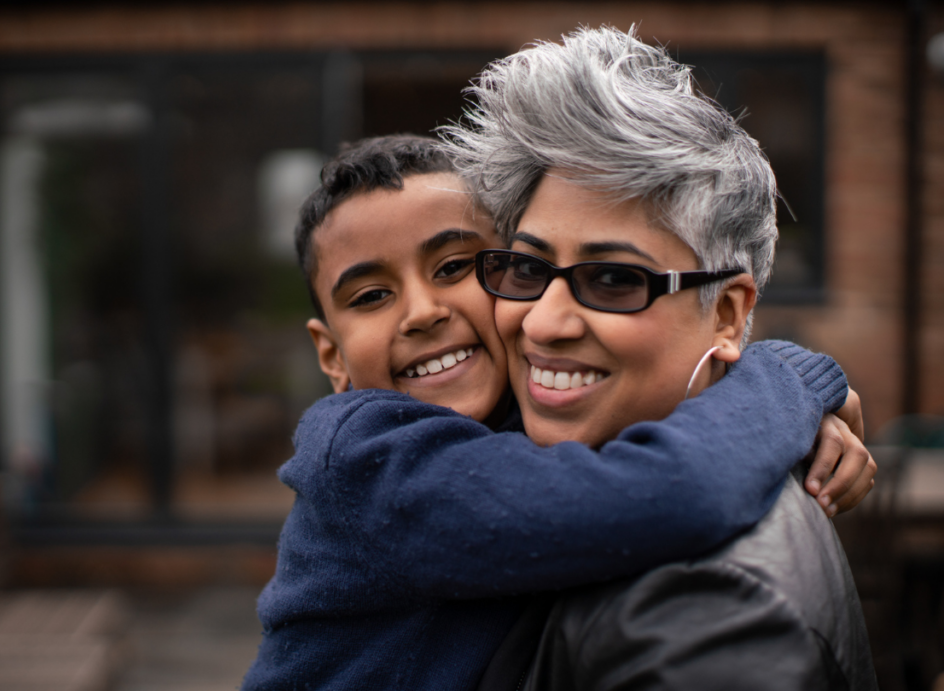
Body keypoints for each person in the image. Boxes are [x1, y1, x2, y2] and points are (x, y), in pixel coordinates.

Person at [240, 135, 874, 691]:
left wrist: (773, 377)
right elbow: (667, 492)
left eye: (456, 266)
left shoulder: (528, 406)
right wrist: (786, 383)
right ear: (331, 356)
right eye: (373, 295)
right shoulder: (364, 457)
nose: (423, 311)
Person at [441, 25, 877, 689]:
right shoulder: (578, 462)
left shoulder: (708, 616)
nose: (545, 322)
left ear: (728, 313)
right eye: (527, 270)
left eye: (615, 280)